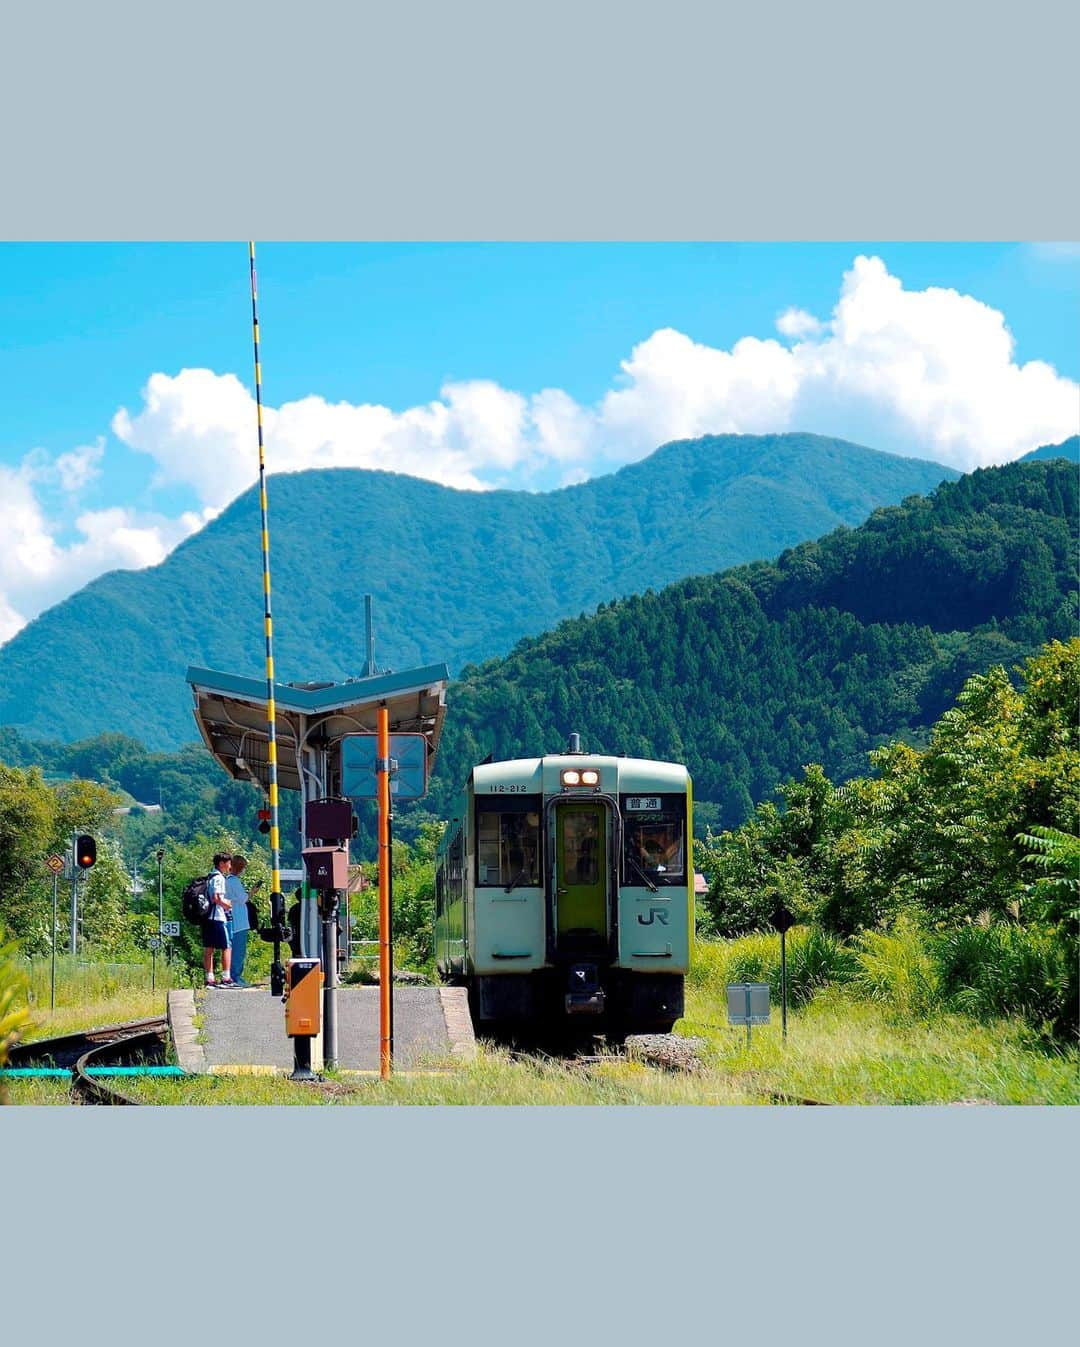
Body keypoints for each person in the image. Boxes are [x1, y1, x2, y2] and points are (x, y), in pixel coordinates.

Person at [202, 851, 234, 986]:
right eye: (228, 863)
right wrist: (227, 905)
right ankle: (226, 977)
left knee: (209, 948)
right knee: (226, 946)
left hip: (207, 916)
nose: (230, 866)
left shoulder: (210, 876)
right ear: (221, 863)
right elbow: (216, 898)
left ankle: (210, 977)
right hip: (217, 917)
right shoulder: (219, 878)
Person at [225, 853, 253, 987]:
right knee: (239, 951)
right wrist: (253, 892)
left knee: (233, 949)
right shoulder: (234, 881)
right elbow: (243, 899)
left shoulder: (227, 880)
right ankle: (235, 977)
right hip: (239, 921)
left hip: (232, 919)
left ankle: (230, 975)